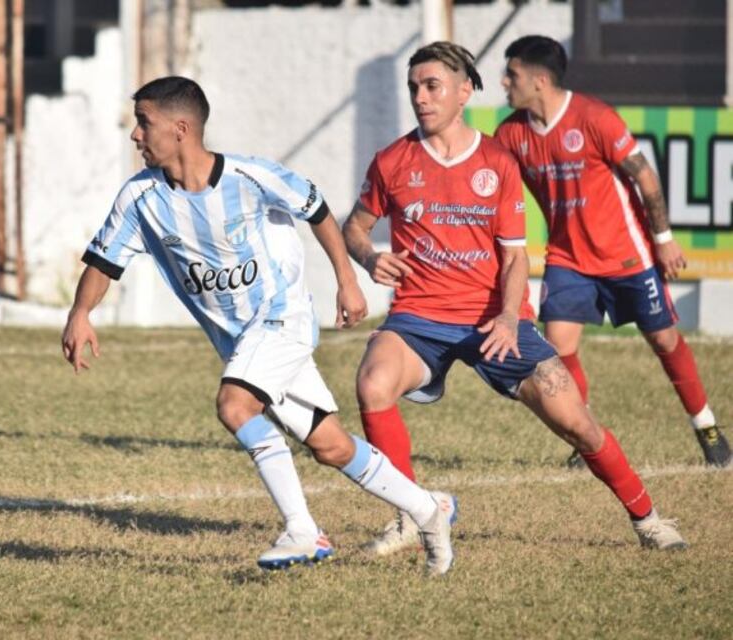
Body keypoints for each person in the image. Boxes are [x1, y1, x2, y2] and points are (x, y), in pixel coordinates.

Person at [61, 76, 457, 574]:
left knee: (234, 404)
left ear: (181, 128)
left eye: (145, 122)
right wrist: (81, 313)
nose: (136, 134)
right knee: (330, 445)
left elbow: (315, 209)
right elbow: (104, 261)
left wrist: (347, 280)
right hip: (241, 343)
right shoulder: (140, 198)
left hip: (282, 318)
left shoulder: (249, 177)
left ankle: (303, 530)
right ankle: (429, 508)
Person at [341, 42, 687, 558]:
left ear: (463, 92)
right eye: (413, 87)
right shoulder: (392, 160)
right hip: (418, 317)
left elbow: (515, 259)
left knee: (578, 423)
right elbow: (355, 226)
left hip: (494, 320)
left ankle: (647, 518)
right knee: (372, 384)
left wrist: (507, 317)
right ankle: (412, 514)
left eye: (431, 86)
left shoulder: (497, 161)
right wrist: (368, 258)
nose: (420, 97)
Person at [494, 35, 730, 469]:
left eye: (512, 74)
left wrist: (663, 239)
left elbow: (646, 178)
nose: (504, 82)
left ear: (540, 80)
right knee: (558, 351)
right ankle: (588, 439)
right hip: (567, 259)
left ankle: (707, 428)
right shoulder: (510, 134)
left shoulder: (594, 117)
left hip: (626, 255)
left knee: (663, 339)